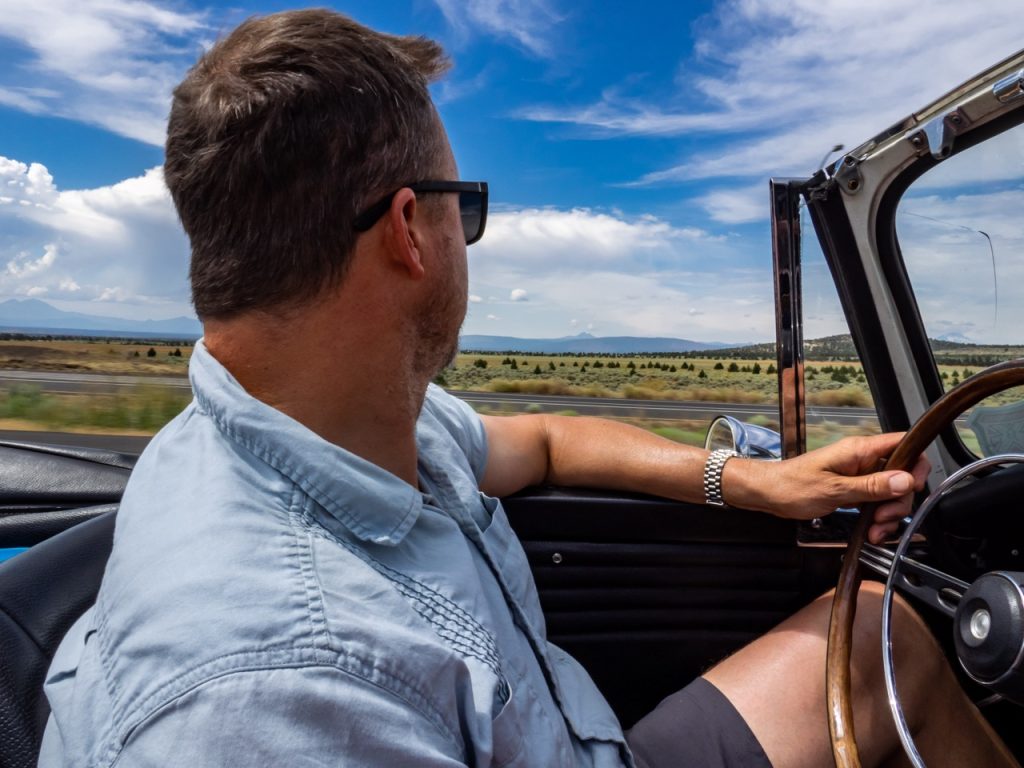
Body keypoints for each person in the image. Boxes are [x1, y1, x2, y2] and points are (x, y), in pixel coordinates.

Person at [38, 10, 1017, 768]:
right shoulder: (269, 695)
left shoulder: (337, 423)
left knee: (881, 639)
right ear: (409, 231)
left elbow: (547, 440)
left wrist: (760, 485)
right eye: (467, 209)